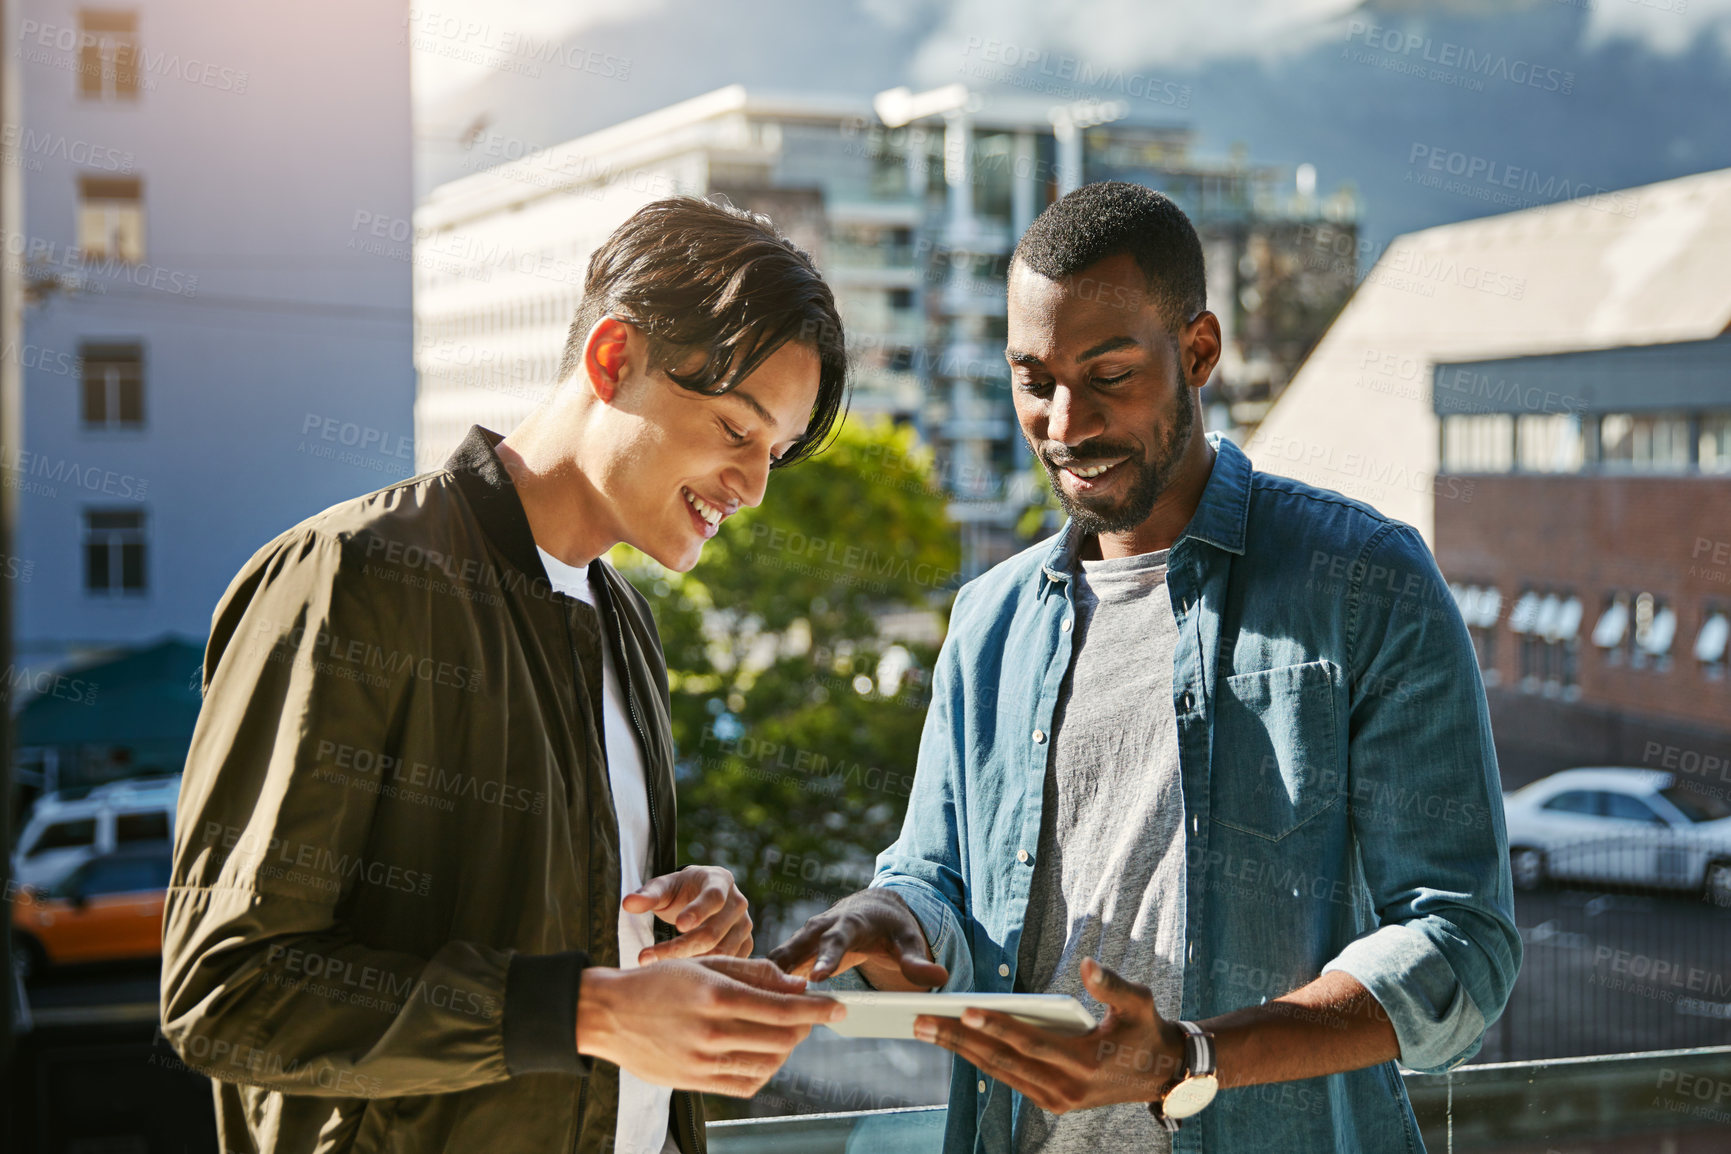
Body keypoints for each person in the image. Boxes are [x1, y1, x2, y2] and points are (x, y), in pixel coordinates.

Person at [770, 181, 1521, 1153]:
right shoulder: (988, 621)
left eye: (1109, 373)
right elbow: (938, 876)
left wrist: (1192, 1056)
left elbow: (1462, 941)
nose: (1064, 421)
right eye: (1033, 378)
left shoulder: (1365, 582)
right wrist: (888, 917)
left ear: (1199, 351)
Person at [162, 196, 850, 1154]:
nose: (754, 486)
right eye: (737, 430)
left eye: (773, 453)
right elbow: (227, 991)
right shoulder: (357, 576)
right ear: (614, 360)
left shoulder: (626, 626)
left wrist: (687, 930)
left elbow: (549, 938)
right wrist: (583, 1009)